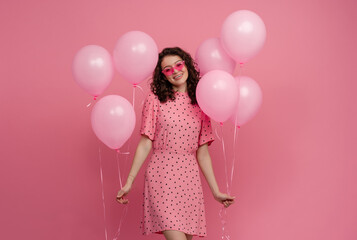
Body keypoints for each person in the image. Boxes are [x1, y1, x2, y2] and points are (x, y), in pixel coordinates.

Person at [116, 47, 235, 240]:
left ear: (187, 65)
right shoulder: (155, 100)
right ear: (163, 75)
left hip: (189, 179)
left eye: (179, 65)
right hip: (162, 177)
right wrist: (129, 182)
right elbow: (145, 142)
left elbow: (202, 153)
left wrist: (216, 192)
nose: (176, 71)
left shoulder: (202, 102)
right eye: (168, 69)